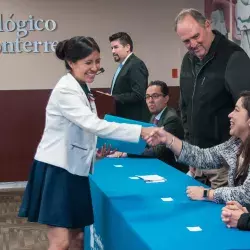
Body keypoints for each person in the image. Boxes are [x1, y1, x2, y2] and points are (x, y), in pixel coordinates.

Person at [18, 36, 155, 250]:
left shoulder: (82, 86)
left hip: (75, 170)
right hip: (57, 170)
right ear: (72, 63)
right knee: (61, 242)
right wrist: (141, 130)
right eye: (88, 62)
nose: (95, 67)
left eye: (98, 61)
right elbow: (93, 125)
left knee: (79, 238)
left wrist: (96, 154)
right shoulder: (66, 89)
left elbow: (82, 132)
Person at [176, 8, 250, 188]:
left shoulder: (234, 56)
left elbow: (247, 110)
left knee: (223, 214)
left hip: (224, 162)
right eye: (186, 41)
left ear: (208, 25)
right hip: (197, 160)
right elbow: (185, 106)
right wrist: (190, 149)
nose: (192, 44)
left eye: (196, 36)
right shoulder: (188, 60)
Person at [145, 91, 250, 206]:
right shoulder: (235, 143)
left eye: (236, 110)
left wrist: (208, 194)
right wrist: (167, 139)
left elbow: (246, 194)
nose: (230, 114)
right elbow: (202, 157)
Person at [108, 80, 188, 172]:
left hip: (171, 169)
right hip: (157, 165)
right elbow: (147, 144)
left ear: (166, 98)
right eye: (147, 97)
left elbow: (158, 151)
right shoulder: (154, 116)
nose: (150, 101)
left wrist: (126, 153)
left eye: (155, 96)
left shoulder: (171, 119)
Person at [109, 32, 150, 122]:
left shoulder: (136, 64)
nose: (113, 51)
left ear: (127, 47)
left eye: (116, 47)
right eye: (111, 48)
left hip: (132, 120)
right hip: (122, 118)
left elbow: (138, 94)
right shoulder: (123, 66)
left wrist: (112, 98)